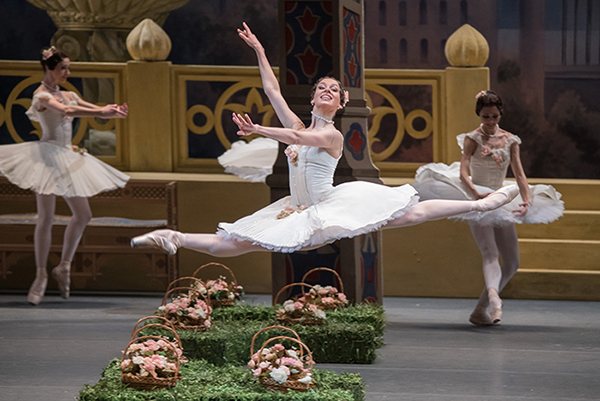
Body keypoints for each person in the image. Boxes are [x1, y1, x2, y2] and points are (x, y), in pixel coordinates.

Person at [131, 23, 518, 259]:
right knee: (235, 242)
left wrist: (260, 130)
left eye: (335, 89)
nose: (328, 90)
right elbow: (272, 92)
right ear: (315, 96)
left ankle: (483, 204)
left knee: (411, 213)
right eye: (322, 87)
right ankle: (174, 238)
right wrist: (261, 51)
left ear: (342, 101)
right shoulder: (302, 122)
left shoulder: (331, 134)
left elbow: (299, 136)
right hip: (297, 210)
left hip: (328, 209)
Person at [413, 90, 564, 326]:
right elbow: (463, 171)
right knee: (490, 252)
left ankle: (481, 308)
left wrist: (526, 200)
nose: (491, 121)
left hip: (502, 195)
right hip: (478, 195)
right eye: (486, 117)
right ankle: (494, 298)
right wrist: (475, 194)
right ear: (479, 115)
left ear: (500, 114)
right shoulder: (473, 138)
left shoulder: (510, 139)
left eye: (494, 116)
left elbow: (520, 173)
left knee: (512, 262)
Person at [0, 46, 129, 305]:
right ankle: (39, 276)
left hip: (66, 155)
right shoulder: (42, 96)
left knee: (83, 214)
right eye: (63, 68)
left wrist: (110, 109)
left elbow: (86, 105)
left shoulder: (67, 93)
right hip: (46, 158)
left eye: (68, 68)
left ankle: (64, 266)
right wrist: (100, 112)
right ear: (49, 69)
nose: (67, 72)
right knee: (46, 216)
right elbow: (68, 111)